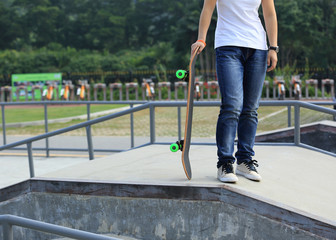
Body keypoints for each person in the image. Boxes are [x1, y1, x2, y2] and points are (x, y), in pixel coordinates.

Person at [191, 0, 278, 183]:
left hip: (258, 47)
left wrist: (273, 47)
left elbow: (269, 13)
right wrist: (201, 38)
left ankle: (245, 160)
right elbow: (208, 8)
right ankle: (225, 163)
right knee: (231, 106)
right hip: (228, 44)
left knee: (250, 108)